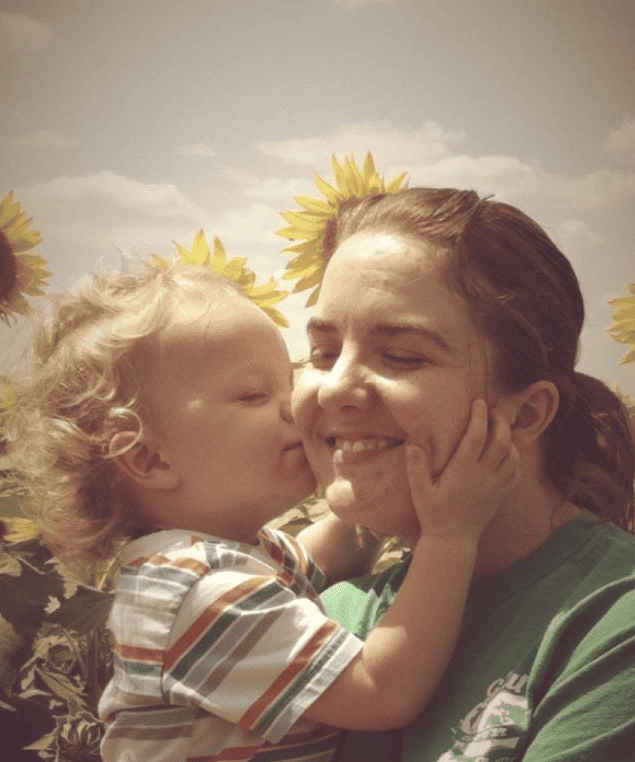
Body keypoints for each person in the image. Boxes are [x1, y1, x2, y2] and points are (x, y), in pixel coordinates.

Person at [6, 260, 519, 762]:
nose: (294, 406)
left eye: (289, 383)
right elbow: (380, 690)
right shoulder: (196, 593)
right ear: (149, 458)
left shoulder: (228, 556)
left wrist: (370, 475)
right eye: (254, 394)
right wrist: (450, 535)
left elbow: (334, 547)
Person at [291, 187, 635, 761]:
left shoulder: (608, 625)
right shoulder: (323, 615)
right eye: (322, 352)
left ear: (525, 413)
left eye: (401, 355)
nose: (334, 387)